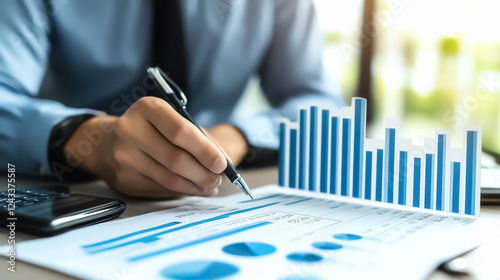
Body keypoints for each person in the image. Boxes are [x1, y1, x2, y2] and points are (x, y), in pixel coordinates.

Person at [0, 0, 342, 198]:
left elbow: (318, 101)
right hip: (78, 194)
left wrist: (235, 138)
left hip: (212, 187)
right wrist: (86, 140)